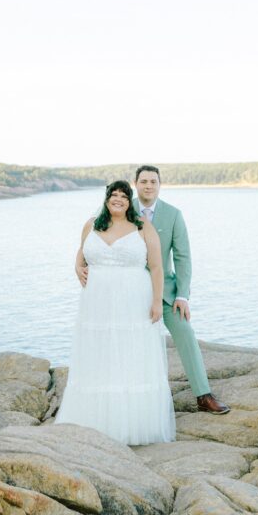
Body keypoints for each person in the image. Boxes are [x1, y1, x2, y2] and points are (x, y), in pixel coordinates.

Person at [55, 180, 176, 445]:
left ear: (129, 200)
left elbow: (157, 267)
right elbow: (81, 253)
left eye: (123, 195)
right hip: (96, 304)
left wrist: (157, 301)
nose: (118, 199)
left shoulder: (143, 227)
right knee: (99, 354)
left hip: (133, 301)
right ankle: (94, 420)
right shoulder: (91, 224)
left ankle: (130, 422)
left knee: (130, 353)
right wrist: (77, 267)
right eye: (114, 195)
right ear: (107, 199)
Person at [131, 165, 230, 414]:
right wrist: (83, 264)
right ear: (135, 184)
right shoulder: (121, 209)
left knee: (185, 332)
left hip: (166, 293)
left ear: (160, 184)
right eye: (143, 181)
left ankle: (203, 395)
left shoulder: (173, 215)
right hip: (130, 292)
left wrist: (183, 295)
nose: (148, 186)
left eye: (153, 181)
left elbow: (183, 257)